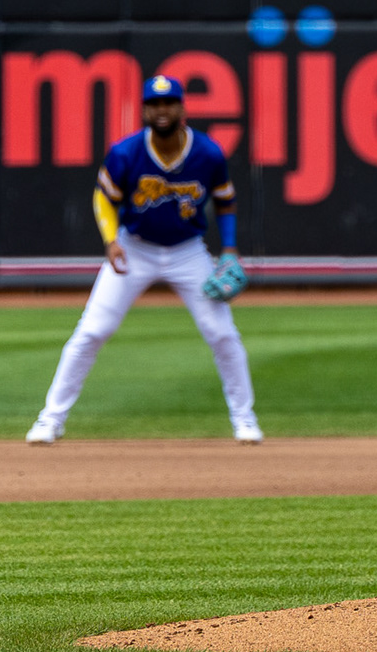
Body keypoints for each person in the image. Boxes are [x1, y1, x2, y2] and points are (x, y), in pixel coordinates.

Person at [25, 73, 261, 445]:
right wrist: (110, 240)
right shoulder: (127, 152)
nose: (162, 110)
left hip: (188, 251)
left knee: (221, 333)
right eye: (154, 104)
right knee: (92, 331)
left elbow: (225, 201)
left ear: (182, 108)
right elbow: (103, 197)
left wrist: (229, 248)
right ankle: (50, 420)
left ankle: (244, 419)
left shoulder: (208, 153)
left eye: (168, 103)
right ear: (145, 110)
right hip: (134, 248)